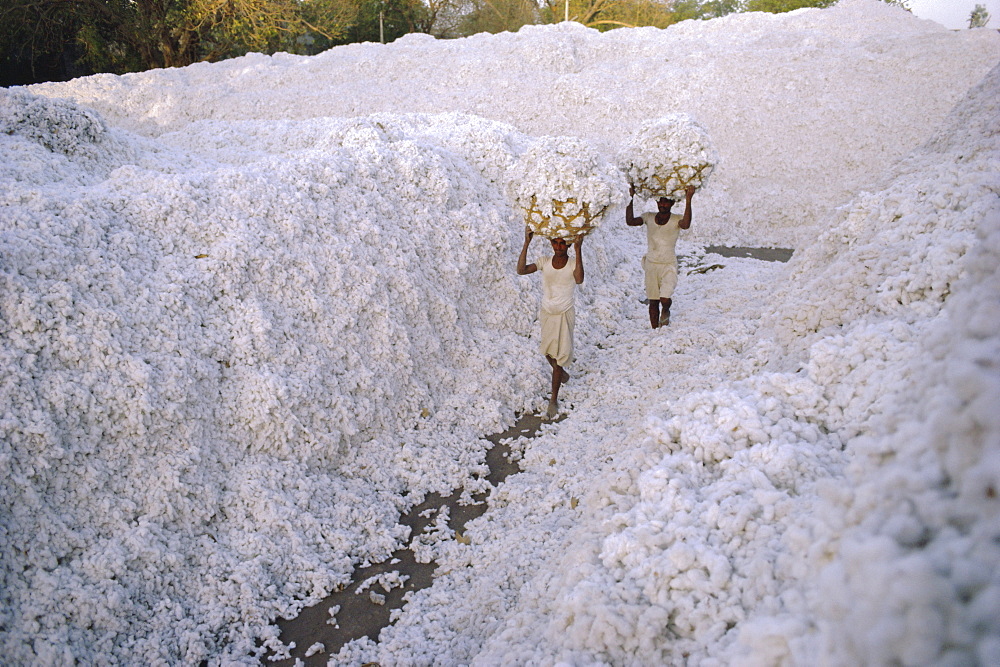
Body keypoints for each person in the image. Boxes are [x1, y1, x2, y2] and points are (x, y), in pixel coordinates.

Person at [516, 226, 584, 419]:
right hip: (547, 311)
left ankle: (553, 399)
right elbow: (521, 270)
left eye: (563, 243)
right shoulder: (544, 262)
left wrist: (579, 250)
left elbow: (579, 279)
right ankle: (560, 373)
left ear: (569, 244)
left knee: (559, 355)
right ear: (551, 243)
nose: (559, 246)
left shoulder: (572, 264)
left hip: (564, 313)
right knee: (547, 351)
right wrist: (527, 242)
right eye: (555, 242)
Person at [625, 183, 695, 329]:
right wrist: (630, 197)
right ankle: (655, 330)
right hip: (651, 264)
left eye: (666, 201)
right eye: (660, 201)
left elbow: (686, 224)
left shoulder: (676, 219)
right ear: (656, 202)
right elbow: (630, 221)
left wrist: (689, 199)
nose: (663, 204)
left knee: (664, 298)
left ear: (672, 203)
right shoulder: (649, 217)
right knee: (653, 301)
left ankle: (666, 309)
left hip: (668, 264)